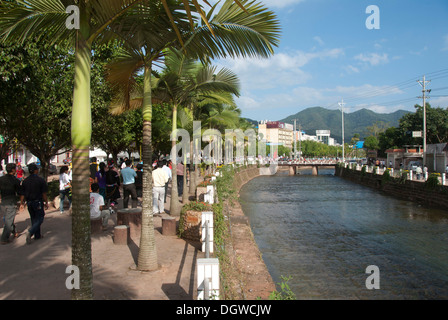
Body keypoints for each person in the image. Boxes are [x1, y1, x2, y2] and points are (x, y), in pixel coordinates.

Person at [19, 163, 48, 245]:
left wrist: (21, 203)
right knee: (40, 218)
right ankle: (31, 232)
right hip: (37, 201)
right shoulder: (40, 180)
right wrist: (46, 202)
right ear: (36, 170)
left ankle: (37, 235)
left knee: (34, 219)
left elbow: (22, 194)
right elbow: (44, 193)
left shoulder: (25, 181)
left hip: (29, 202)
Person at [0, 163, 21, 244]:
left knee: (8, 218)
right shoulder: (15, 180)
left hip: (3, 202)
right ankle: (4, 238)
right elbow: (20, 192)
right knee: (9, 220)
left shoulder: (1, 179)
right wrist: (22, 202)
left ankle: (15, 231)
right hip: (11, 201)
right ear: (13, 170)